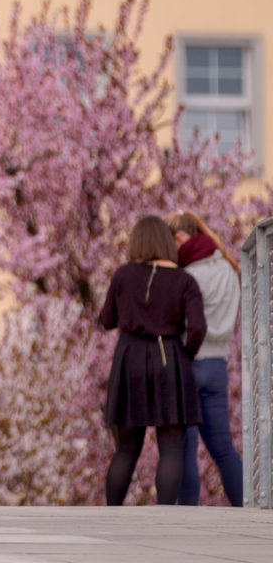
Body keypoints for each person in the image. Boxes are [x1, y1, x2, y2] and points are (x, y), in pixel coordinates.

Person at [99, 215, 206, 505]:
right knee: (170, 447)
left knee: (126, 449)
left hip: (129, 359)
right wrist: (184, 354)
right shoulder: (185, 280)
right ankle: (165, 516)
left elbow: (106, 320)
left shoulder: (122, 275)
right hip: (169, 358)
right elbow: (197, 328)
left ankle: (112, 513)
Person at [165, 210, 243, 507]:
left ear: (180, 238)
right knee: (223, 447)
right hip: (217, 366)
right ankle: (245, 509)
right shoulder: (228, 268)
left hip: (190, 361)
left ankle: (187, 516)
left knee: (186, 446)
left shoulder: (188, 276)